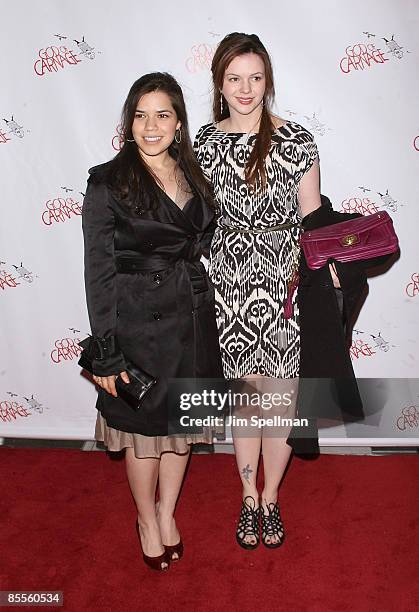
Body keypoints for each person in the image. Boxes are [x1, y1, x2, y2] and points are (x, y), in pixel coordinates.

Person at [194, 32, 347, 550]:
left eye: (255, 77)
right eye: (234, 78)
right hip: (225, 288)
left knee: (280, 404)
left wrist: (328, 276)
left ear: (269, 80)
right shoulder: (205, 144)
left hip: (283, 286)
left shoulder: (297, 141)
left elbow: (311, 217)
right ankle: (248, 498)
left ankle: (273, 497)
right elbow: (193, 219)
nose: (245, 88)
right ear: (219, 82)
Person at [82, 72, 222, 571]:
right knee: (144, 435)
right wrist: (106, 348)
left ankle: (167, 511)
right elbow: (97, 273)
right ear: (129, 122)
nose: (151, 125)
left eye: (162, 114)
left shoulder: (194, 174)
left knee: (180, 427)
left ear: (179, 123)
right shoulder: (107, 182)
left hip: (190, 317)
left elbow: (199, 240)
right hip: (136, 321)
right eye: (140, 115)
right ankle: (145, 517)